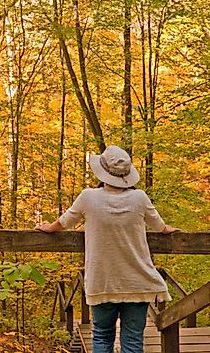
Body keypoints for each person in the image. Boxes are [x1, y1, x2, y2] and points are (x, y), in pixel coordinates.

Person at [36, 145, 180, 353]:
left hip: (102, 280)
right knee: (133, 341)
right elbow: (160, 226)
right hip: (138, 282)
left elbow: (65, 222)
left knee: (102, 336)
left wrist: (49, 228)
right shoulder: (139, 198)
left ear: (102, 172)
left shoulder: (89, 197)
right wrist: (169, 230)